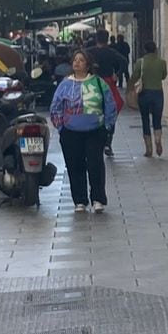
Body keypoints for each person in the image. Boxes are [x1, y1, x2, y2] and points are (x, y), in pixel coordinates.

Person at [48, 48, 115, 214]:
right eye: (75, 60)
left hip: (94, 131)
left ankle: (98, 198)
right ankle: (80, 200)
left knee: (95, 164)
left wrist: (107, 125)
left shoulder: (98, 83)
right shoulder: (65, 84)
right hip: (70, 133)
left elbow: (110, 104)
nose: (77, 63)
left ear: (88, 64)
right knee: (75, 166)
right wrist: (60, 126)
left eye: (81, 60)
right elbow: (55, 106)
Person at [136, 42, 168, 158]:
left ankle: (148, 148)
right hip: (158, 93)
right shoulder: (162, 62)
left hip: (144, 94)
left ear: (145, 50)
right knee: (157, 119)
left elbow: (135, 76)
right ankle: (158, 140)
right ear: (155, 50)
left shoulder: (140, 62)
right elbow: (164, 76)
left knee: (145, 120)